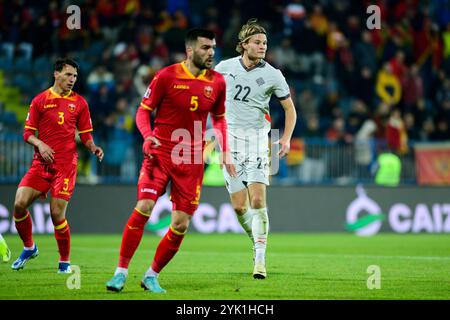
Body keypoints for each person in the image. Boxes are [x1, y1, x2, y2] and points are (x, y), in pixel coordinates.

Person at [106, 28, 236, 293]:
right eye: (205, 48)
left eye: (212, 48)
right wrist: (147, 135)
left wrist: (225, 149)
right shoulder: (166, 76)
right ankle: (120, 272)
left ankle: (151, 275)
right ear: (190, 50)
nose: (211, 53)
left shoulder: (218, 82)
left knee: (181, 223)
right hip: (161, 153)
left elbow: (220, 118)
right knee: (143, 206)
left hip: (191, 160)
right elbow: (143, 111)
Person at [215, 19, 297, 279]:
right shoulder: (223, 68)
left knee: (258, 201)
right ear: (244, 45)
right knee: (240, 208)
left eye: (265, 43)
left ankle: (260, 260)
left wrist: (285, 138)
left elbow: (289, 109)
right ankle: (256, 240)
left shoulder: (273, 74)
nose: (262, 47)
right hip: (229, 144)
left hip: (258, 143)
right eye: (257, 42)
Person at [11, 58, 104, 273]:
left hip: (65, 165)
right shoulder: (40, 101)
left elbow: (86, 135)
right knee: (19, 204)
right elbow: (27, 134)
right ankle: (29, 247)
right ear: (56, 74)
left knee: (56, 213)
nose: (72, 80)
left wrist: (93, 147)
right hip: (41, 164)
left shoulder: (80, 103)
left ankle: (64, 262)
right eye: (68, 75)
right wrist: (40, 143)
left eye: (75, 76)